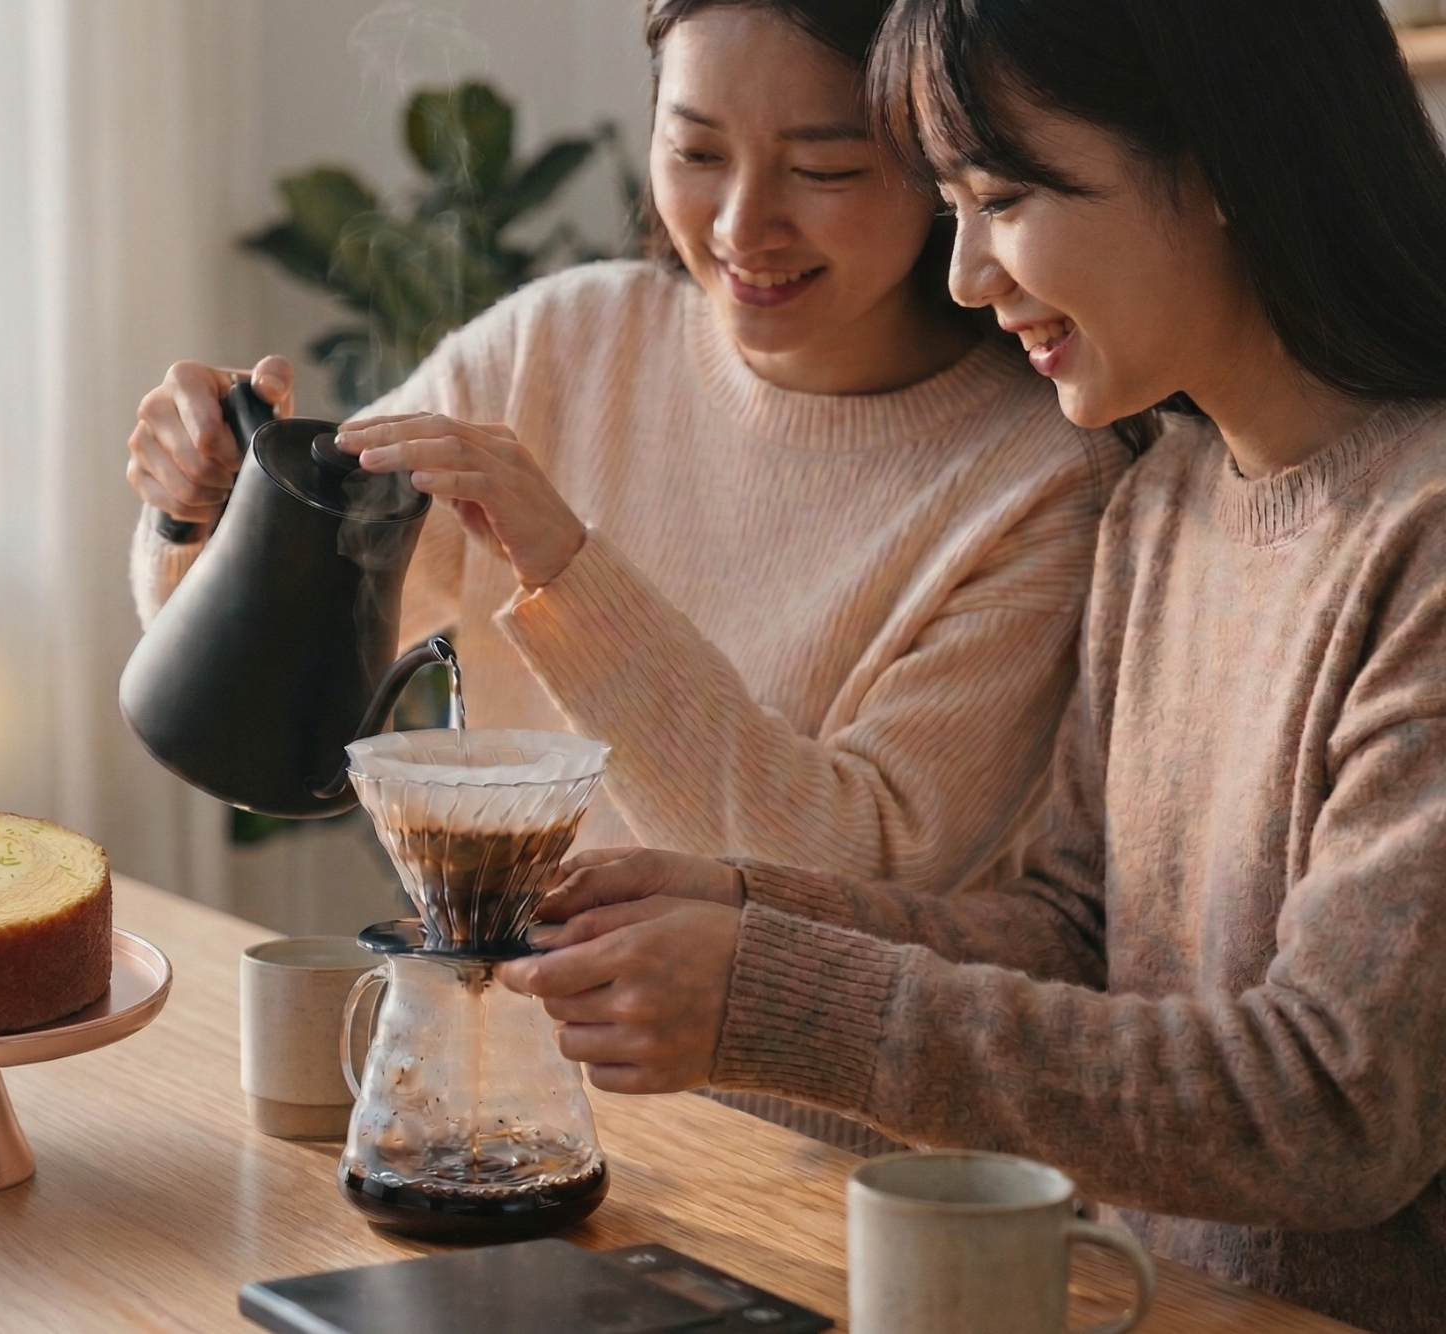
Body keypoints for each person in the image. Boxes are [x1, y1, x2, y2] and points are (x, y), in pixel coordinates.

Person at [496, 1, 1446, 1329]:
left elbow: (1333, 1103)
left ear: (1221, 162)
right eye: (951, 205)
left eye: (1001, 199)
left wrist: (777, 995)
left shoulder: (1421, 542)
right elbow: (1074, 936)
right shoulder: (1164, 502)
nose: (964, 275)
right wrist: (745, 909)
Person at [129, 0, 1121, 911]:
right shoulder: (560, 343)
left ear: (942, 167)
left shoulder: (1041, 483)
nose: (740, 226)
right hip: (497, 1024)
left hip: (765, 1062)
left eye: (824, 169)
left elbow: (860, 878)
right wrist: (203, 508)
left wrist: (568, 574)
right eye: (695, 151)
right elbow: (250, 685)